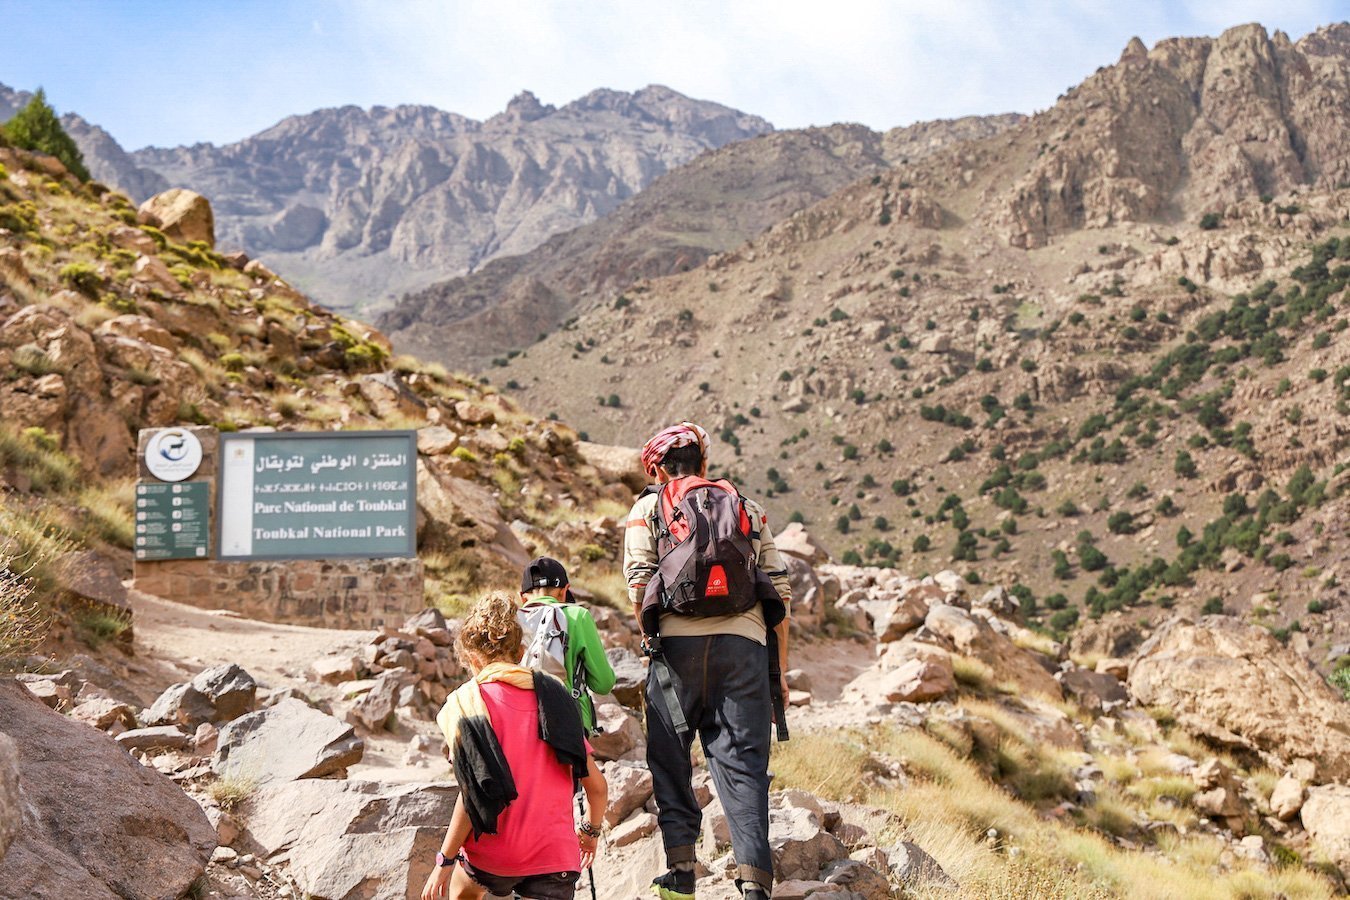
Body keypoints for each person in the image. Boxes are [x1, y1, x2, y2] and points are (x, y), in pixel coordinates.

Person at [623, 422, 792, 900]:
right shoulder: (747, 509)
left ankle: (681, 877)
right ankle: (755, 888)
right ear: (705, 464)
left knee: (671, 761)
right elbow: (779, 593)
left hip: (675, 652)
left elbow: (639, 585)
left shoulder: (648, 507)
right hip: (745, 651)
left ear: (656, 469)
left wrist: (652, 639)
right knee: (744, 768)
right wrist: (777, 672)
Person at [422, 592, 608, 900]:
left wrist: (444, 861)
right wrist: (590, 833)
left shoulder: (468, 705)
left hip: (494, 857)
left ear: (471, 659)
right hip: (555, 858)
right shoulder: (555, 695)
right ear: (522, 651)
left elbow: (474, 796)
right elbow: (597, 787)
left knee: (461, 889)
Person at [517, 556, 617, 734]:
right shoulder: (578, 616)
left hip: (520, 723)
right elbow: (603, 684)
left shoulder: (510, 621)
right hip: (570, 722)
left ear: (522, 597)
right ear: (565, 590)